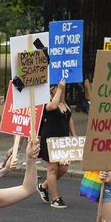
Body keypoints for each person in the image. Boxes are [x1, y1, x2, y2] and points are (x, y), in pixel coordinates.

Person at [36, 80, 76, 209]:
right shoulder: (47, 103)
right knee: (52, 169)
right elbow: (53, 106)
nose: (62, 89)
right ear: (51, 89)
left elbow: (69, 119)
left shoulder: (64, 104)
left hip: (62, 141)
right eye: (56, 87)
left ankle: (43, 186)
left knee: (63, 168)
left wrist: (74, 135)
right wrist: (59, 89)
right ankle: (55, 198)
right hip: (50, 140)